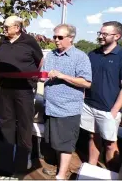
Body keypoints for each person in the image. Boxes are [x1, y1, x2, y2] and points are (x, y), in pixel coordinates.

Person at [41, 24, 92, 180]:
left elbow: (86, 82)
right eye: (54, 36)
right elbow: (45, 74)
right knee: (55, 141)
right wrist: (41, 76)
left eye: (60, 37)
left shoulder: (80, 57)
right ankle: (59, 168)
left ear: (71, 38)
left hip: (67, 109)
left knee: (65, 144)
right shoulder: (51, 55)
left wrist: (63, 76)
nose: (56, 40)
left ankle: (61, 175)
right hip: (50, 107)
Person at [0, 16, 43, 172]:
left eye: (6, 27)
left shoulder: (29, 41)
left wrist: (32, 77)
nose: (4, 29)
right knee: (6, 122)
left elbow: (40, 60)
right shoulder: (2, 41)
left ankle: (24, 157)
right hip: (5, 88)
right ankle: (7, 153)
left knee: (24, 123)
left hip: (24, 89)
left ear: (17, 28)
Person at [81, 21, 122, 172]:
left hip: (109, 109)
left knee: (111, 143)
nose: (100, 36)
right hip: (90, 105)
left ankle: (112, 173)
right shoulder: (93, 54)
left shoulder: (120, 56)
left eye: (105, 34)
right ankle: (91, 170)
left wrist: (115, 110)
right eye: (100, 33)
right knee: (93, 137)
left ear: (117, 36)